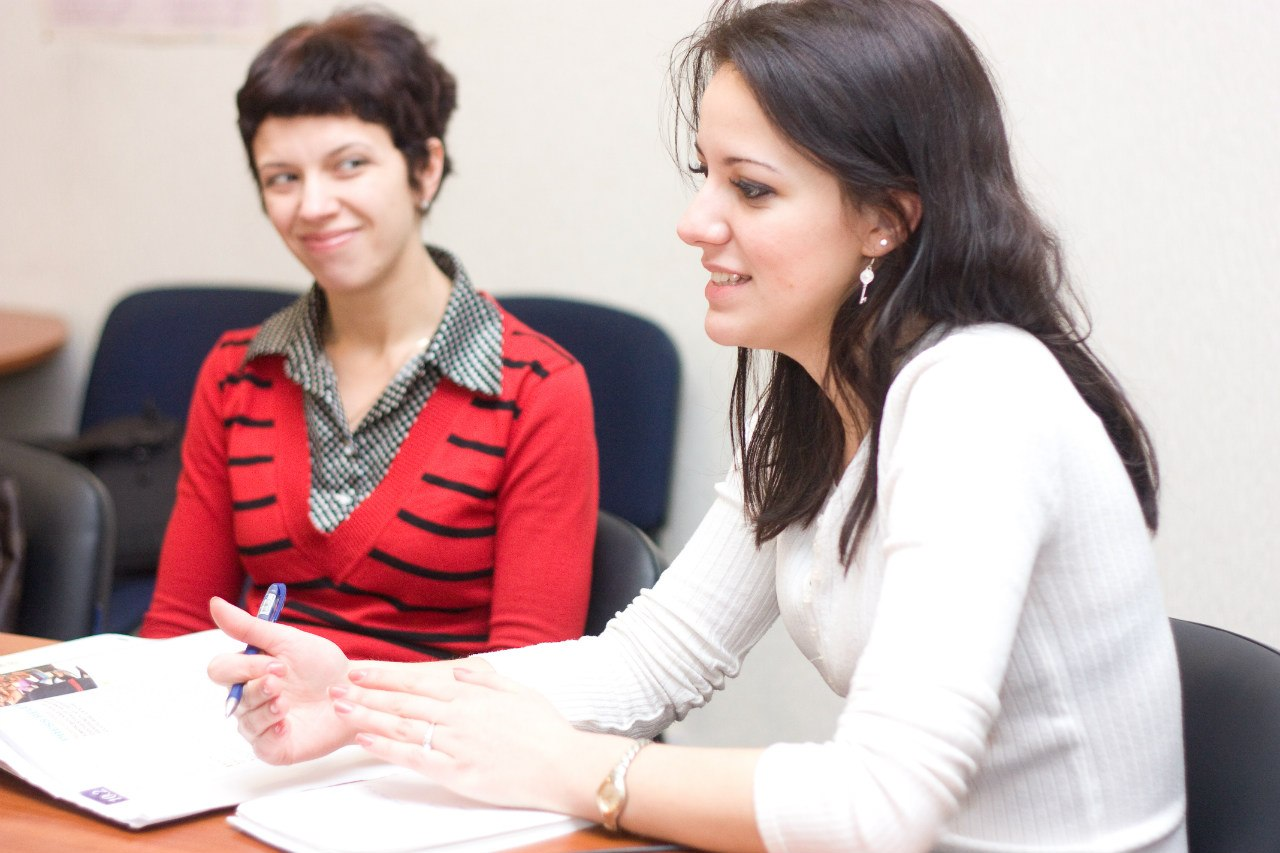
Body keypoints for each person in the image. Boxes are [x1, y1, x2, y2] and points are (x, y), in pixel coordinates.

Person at [207, 1, 1186, 850]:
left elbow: (879, 803)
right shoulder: (811, 398)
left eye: (749, 187)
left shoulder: (977, 396)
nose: (694, 220)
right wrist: (357, 699)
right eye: (704, 174)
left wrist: (583, 771)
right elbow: (646, 662)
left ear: (884, 219)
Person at [140, 9, 598, 663]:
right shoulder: (238, 372)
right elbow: (178, 630)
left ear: (425, 169)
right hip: (255, 724)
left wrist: (344, 706)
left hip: (442, 728)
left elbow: (528, 683)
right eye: (283, 177)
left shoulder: (538, 390)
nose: (313, 206)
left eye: (349, 165)